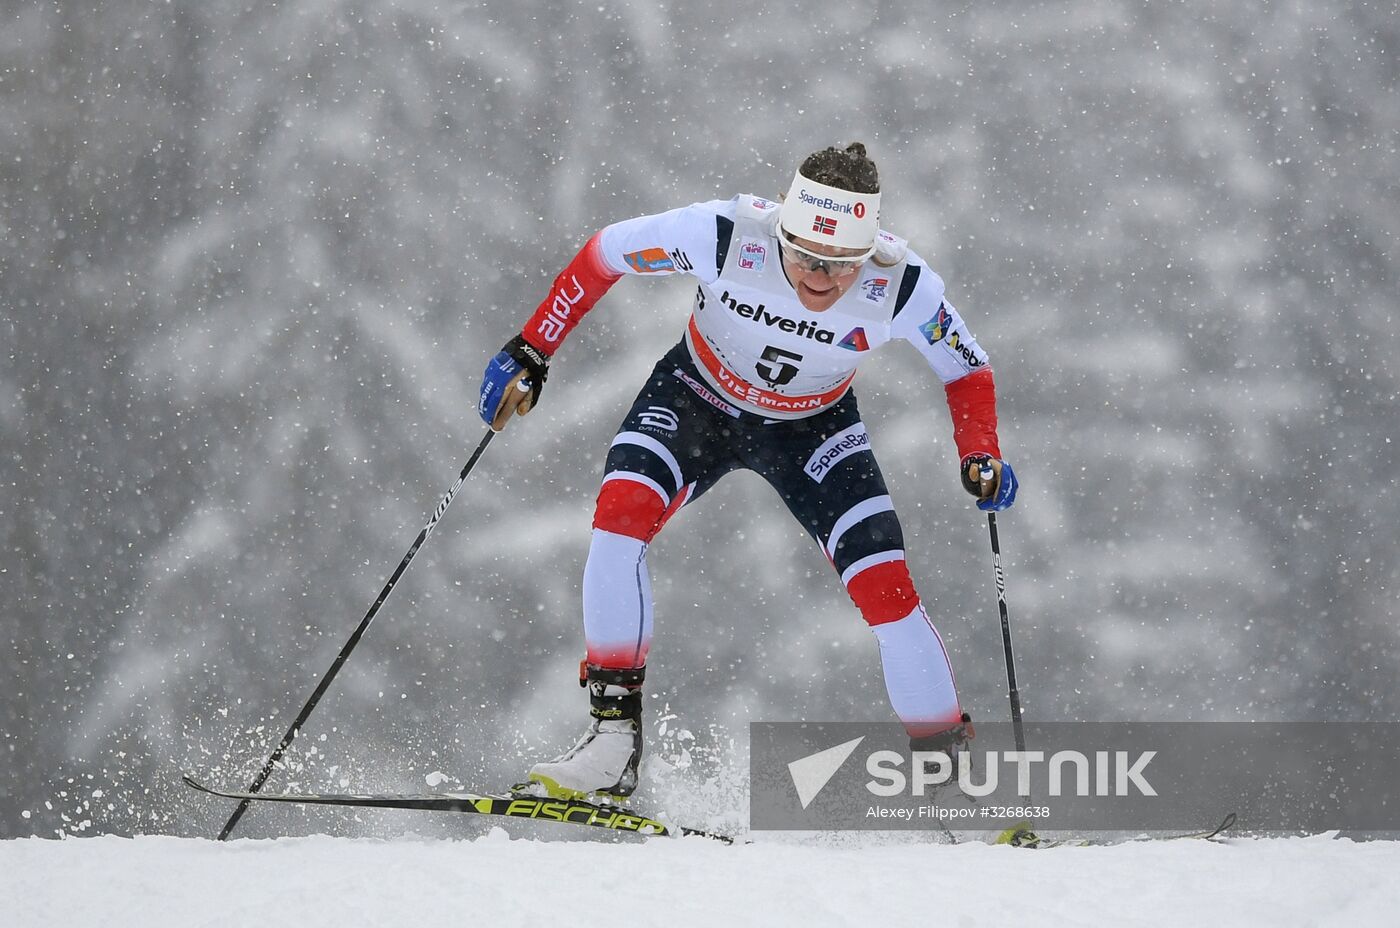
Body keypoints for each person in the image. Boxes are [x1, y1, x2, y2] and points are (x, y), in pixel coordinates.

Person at [478, 142, 1017, 802]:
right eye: (805, 257)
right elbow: (605, 254)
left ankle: (955, 785)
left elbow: (968, 367)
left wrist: (979, 451)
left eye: (841, 265)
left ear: (869, 250)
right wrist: (533, 347)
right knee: (618, 522)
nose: (820, 278)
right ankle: (612, 744)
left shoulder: (901, 284)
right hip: (696, 399)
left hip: (813, 432)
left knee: (888, 590)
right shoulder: (726, 235)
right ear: (781, 229)